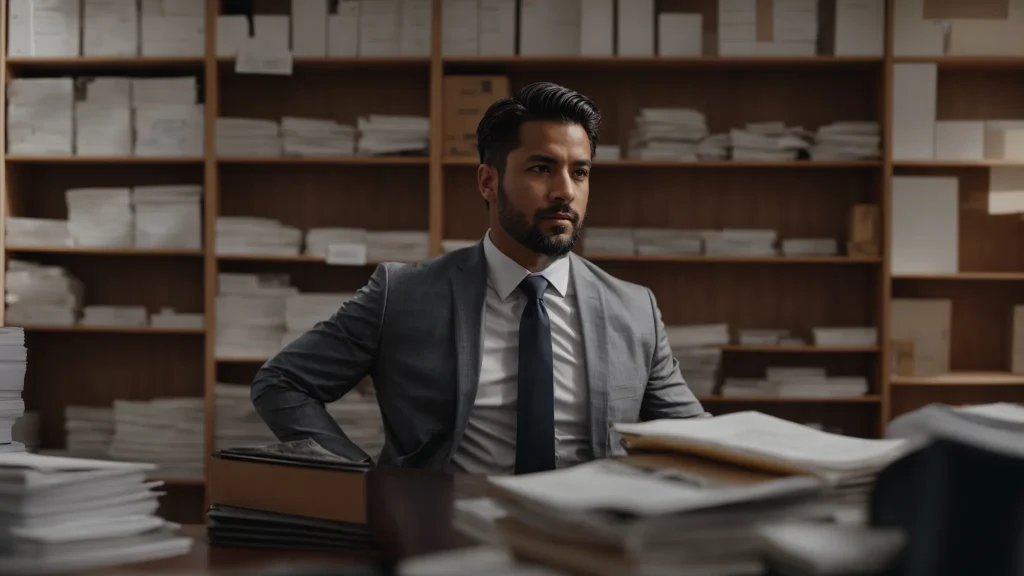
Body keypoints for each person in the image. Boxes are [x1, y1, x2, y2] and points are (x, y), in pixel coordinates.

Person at [251, 81, 707, 475]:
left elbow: (696, 439)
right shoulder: (403, 294)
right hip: (442, 541)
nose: (565, 190)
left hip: (585, 548)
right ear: (488, 182)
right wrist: (364, 482)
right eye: (541, 168)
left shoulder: (634, 308)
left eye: (580, 172)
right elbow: (282, 383)